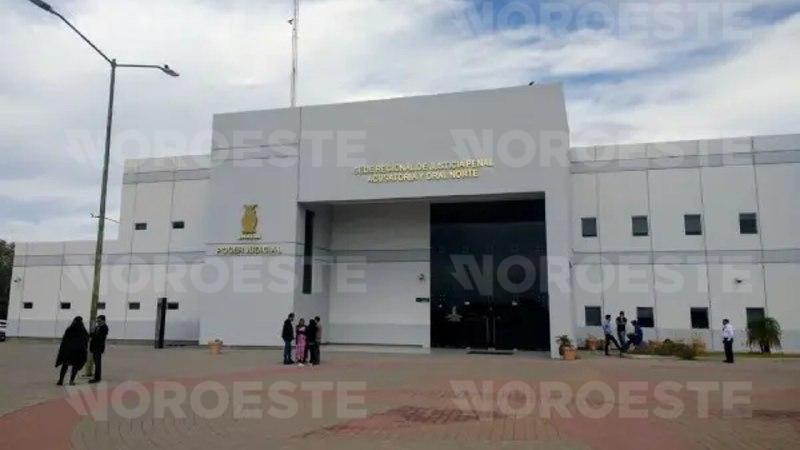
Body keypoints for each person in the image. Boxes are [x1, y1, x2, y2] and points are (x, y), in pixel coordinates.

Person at [55, 316, 89, 386]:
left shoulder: (69, 329)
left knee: (65, 365)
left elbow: (64, 340)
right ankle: (71, 381)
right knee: (75, 366)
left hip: (68, 351)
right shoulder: (83, 331)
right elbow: (86, 341)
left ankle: (60, 380)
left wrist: (62, 350)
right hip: (78, 352)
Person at [88, 315, 109, 383]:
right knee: (96, 362)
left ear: (103, 321)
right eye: (97, 321)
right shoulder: (97, 327)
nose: (98, 322)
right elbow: (93, 334)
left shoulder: (104, 328)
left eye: (99, 321)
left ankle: (97, 378)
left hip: (98, 348)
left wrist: (93, 335)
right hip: (94, 347)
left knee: (98, 363)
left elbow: (99, 337)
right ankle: (96, 375)